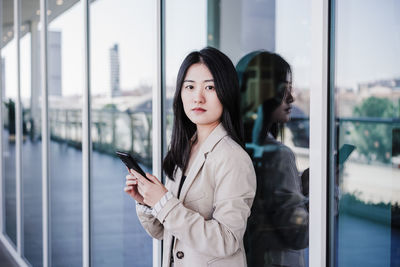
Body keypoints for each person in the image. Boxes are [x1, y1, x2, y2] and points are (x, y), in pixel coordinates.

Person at [124, 47, 257, 267]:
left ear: (226, 91)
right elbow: (167, 233)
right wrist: (148, 202)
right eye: (190, 87)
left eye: (210, 87)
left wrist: (163, 203)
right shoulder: (185, 148)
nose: (198, 97)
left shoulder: (232, 158)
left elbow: (227, 240)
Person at [237, 51, 309, 267]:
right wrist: (326, 192)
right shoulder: (277, 155)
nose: (291, 98)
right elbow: (299, 235)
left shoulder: (232, 144)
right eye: (283, 88)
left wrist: (299, 186)